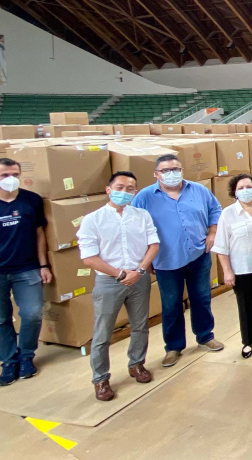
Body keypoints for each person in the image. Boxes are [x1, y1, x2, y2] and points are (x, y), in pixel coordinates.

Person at [133, 155, 224, 368]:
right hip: (165, 260)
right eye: (165, 170)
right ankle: (173, 347)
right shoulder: (145, 197)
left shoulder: (199, 190)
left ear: (182, 170)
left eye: (175, 169)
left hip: (198, 255)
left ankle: (205, 336)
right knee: (171, 304)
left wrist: (212, 233)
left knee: (201, 298)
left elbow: (215, 210)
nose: (171, 174)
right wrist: (146, 259)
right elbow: (135, 227)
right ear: (156, 174)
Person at [77, 171, 159, 401]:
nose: (125, 192)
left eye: (130, 189)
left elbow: (153, 244)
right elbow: (89, 258)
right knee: (103, 332)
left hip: (139, 278)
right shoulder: (93, 220)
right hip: (108, 281)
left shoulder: (142, 215)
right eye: (120, 187)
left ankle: (137, 364)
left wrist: (140, 270)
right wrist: (120, 273)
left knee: (140, 325)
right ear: (108, 189)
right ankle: (101, 379)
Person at [0, 158, 52, 387]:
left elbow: (40, 233)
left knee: (32, 313)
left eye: (14, 174)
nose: (10, 179)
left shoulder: (31, 200)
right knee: (1, 319)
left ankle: (26, 355)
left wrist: (43, 265)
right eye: (4, 175)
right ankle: (8, 361)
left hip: (27, 268)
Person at [212, 174, 252, 360]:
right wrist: (227, 271)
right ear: (234, 192)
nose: (245, 190)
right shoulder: (228, 213)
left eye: (249, 186)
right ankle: (247, 341)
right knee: (245, 306)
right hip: (241, 268)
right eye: (240, 188)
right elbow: (221, 246)